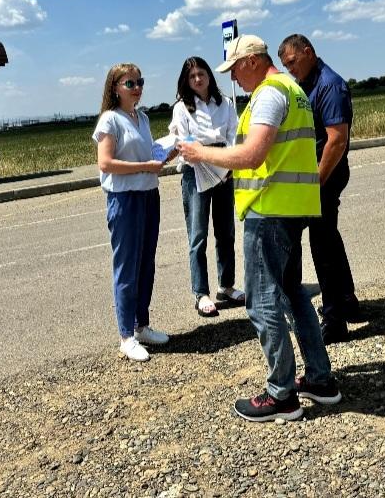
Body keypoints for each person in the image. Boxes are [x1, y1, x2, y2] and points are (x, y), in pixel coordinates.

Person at [179, 35, 342, 422]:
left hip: (268, 212)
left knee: (262, 301)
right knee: (292, 294)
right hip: (292, 207)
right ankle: (320, 379)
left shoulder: (270, 93)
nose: (233, 77)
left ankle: (281, 394)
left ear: (252, 61)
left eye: (235, 68)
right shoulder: (293, 89)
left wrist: (200, 152)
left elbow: (252, 155)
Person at [277, 34, 360, 344]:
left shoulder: (329, 84)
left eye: (292, 62)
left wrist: (315, 184)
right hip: (316, 176)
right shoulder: (307, 83)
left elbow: (336, 140)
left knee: (322, 246)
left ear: (308, 52)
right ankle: (348, 301)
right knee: (329, 239)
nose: (290, 70)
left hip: (326, 174)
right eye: (285, 66)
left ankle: (334, 319)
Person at [92, 63, 171, 362]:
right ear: (115, 88)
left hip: (149, 194)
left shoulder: (143, 117)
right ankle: (126, 335)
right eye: (129, 83)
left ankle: (142, 325)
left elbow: (148, 155)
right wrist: (144, 167)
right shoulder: (110, 120)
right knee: (127, 267)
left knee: (146, 263)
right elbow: (106, 163)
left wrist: (165, 154)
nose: (136, 87)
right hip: (124, 199)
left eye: (139, 81)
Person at [169, 56, 244, 318]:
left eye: (201, 73)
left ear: (209, 76)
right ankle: (201, 293)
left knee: (226, 231)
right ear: (186, 81)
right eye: (192, 76)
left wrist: (230, 163)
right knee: (198, 235)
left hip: (223, 167)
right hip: (196, 170)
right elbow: (183, 139)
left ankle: (227, 285)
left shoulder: (225, 104)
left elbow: (234, 134)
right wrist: (202, 154)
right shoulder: (182, 108)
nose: (198, 79)